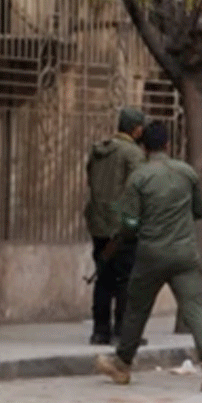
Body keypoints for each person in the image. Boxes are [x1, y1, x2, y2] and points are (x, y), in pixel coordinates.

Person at [95, 121, 202, 392]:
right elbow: (199, 211)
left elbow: (129, 222)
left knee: (137, 310)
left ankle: (122, 365)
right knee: (195, 309)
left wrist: (128, 235)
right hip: (185, 254)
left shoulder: (139, 178)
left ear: (144, 147)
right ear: (167, 144)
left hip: (151, 255)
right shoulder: (186, 173)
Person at [84, 107, 147, 345]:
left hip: (98, 223)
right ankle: (123, 330)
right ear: (136, 129)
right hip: (122, 226)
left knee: (103, 277)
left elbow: (90, 179)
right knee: (125, 280)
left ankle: (100, 330)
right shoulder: (132, 154)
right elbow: (138, 189)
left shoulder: (100, 150)